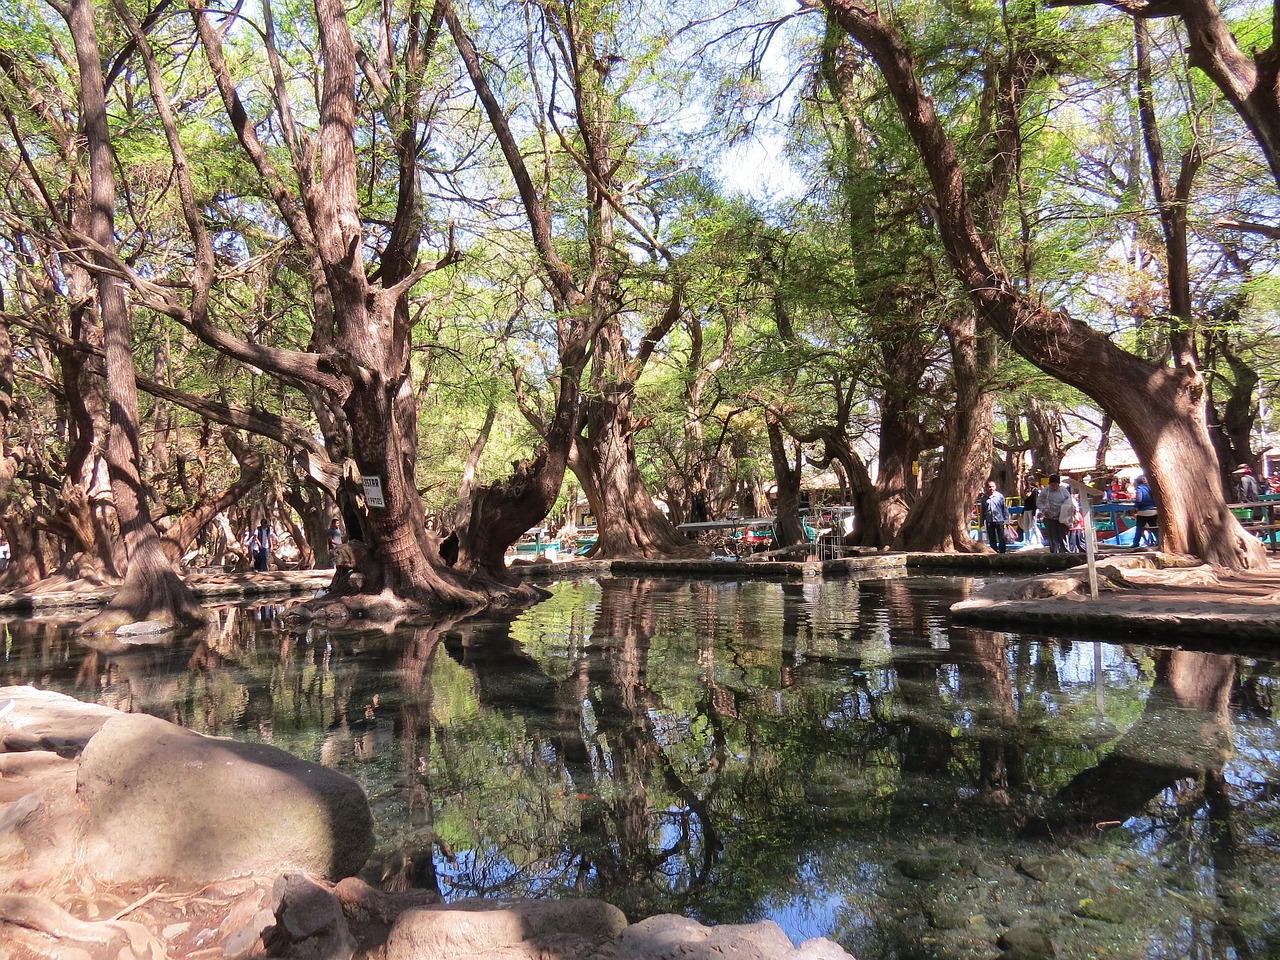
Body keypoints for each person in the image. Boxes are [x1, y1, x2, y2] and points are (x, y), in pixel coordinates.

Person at [1037, 474, 1073, 554]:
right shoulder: (1045, 491)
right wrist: (1044, 510)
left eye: (1056, 486)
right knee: (1052, 537)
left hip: (1062, 517)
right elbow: (1039, 502)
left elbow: (1070, 502)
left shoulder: (1064, 491)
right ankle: (1054, 553)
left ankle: (1065, 552)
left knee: (1063, 536)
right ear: (1049, 484)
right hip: (1050, 517)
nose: (1054, 488)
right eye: (1053, 486)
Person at [981, 480, 1010, 554]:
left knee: (1001, 537)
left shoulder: (999, 496)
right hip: (989, 520)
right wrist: (982, 521)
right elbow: (983, 510)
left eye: (992, 486)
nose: (991, 488)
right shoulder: (984, 498)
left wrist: (1006, 521)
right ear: (987, 488)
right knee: (991, 537)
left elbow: (1004, 509)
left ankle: (1002, 551)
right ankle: (994, 551)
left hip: (999, 520)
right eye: (989, 487)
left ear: (995, 487)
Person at [1131, 475, 1158, 549]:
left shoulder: (1139, 488)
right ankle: (1159, 541)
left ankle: (1136, 543)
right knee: (1153, 527)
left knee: (1139, 527)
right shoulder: (1151, 488)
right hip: (1154, 510)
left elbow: (1139, 499)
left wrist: (1134, 507)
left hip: (1144, 511)